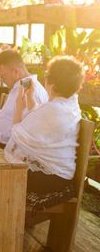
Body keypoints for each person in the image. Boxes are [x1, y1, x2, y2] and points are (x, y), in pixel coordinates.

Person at [5, 56, 84, 198]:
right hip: (59, 175)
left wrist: (18, 107)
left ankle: (4, 217)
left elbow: (17, 133)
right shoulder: (70, 104)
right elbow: (41, 121)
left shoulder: (54, 110)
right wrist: (30, 100)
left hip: (51, 178)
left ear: (51, 84)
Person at [0, 50, 48, 145]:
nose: (2, 80)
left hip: (5, 145)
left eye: (2, 76)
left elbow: (23, 133)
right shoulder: (22, 86)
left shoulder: (29, 91)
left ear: (16, 72)